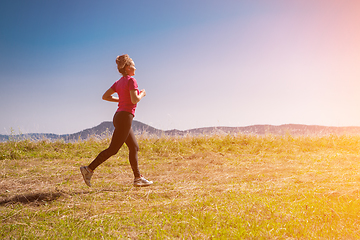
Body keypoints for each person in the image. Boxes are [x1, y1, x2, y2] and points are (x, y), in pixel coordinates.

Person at [80, 54, 153, 187]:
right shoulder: (132, 80)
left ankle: (138, 178)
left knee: (134, 147)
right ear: (127, 67)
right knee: (113, 149)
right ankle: (88, 169)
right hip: (125, 117)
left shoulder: (118, 82)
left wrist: (121, 99)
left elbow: (105, 96)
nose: (135, 67)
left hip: (119, 116)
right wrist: (142, 93)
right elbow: (135, 100)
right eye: (133, 65)